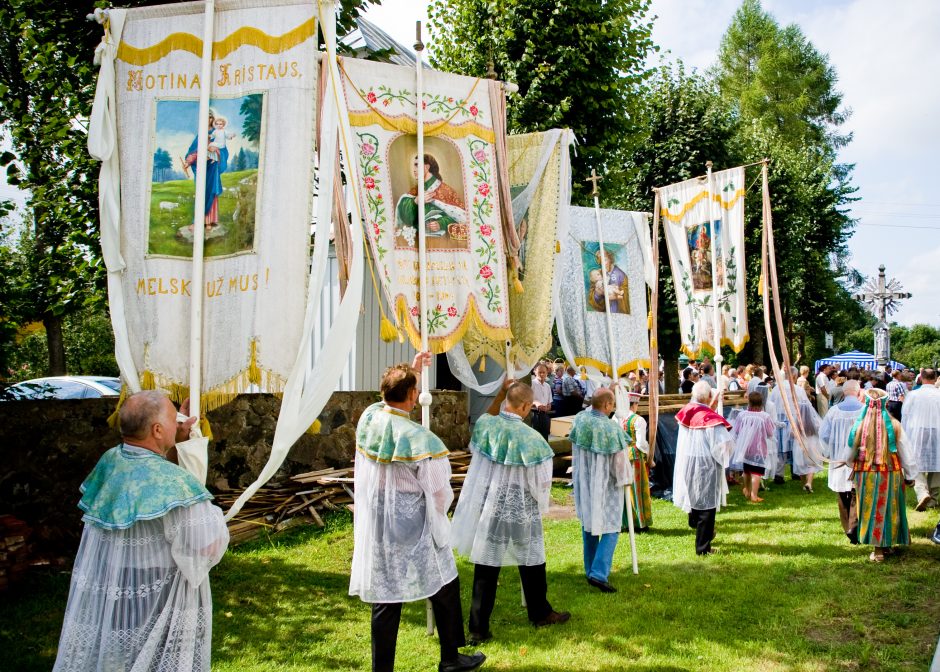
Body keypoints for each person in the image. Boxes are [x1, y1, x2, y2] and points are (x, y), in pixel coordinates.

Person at [53, 391, 229, 672]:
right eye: (174, 420)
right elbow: (208, 546)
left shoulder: (111, 461)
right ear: (157, 430)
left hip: (117, 588)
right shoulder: (176, 483)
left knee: (118, 661)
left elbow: (149, 468)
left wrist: (177, 445)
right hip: (158, 593)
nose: (179, 424)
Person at [349, 352, 484, 672]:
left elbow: (386, 397)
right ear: (413, 396)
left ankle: (384, 668)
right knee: (444, 581)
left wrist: (412, 368)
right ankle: (450, 657)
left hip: (380, 518)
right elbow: (439, 493)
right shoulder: (420, 439)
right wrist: (438, 520)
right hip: (414, 520)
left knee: (388, 594)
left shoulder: (369, 418)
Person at [452, 381, 570, 645]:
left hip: (489, 502)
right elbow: (540, 483)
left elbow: (479, 442)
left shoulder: (485, 426)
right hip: (520, 505)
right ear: (527, 406)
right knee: (532, 561)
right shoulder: (532, 440)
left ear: (507, 400)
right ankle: (540, 612)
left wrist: (501, 392)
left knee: (486, 564)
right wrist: (541, 505)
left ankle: (478, 627)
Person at [568, 388, 631, 592]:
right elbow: (619, 465)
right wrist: (626, 480)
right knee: (611, 527)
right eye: (611, 404)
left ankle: (591, 570)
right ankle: (598, 573)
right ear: (607, 405)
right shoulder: (612, 430)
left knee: (589, 525)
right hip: (605, 486)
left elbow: (589, 409)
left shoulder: (580, 419)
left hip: (585, 482)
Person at [847, 387, 916, 562]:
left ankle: (879, 548)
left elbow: (848, 455)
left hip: (866, 474)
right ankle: (884, 545)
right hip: (890, 474)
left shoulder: (859, 425)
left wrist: (853, 464)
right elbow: (906, 453)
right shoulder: (894, 425)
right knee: (889, 508)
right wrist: (910, 475)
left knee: (871, 510)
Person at [673, 381, 734, 555]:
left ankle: (696, 523)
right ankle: (703, 548)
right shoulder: (710, 418)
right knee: (707, 506)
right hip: (706, 462)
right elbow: (723, 443)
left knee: (694, 497)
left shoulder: (688, 410)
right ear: (708, 397)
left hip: (688, 459)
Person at [819, 379, 863, 544]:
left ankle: (848, 527)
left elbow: (823, 435)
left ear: (844, 392)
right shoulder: (864, 411)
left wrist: (829, 451)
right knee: (855, 493)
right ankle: (854, 526)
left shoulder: (833, 411)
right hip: (858, 458)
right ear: (858, 392)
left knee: (841, 494)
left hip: (838, 456)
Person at [768, 366, 824, 491]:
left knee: (781, 449)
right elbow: (806, 406)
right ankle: (796, 471)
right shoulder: (797, 389)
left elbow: (771, 403)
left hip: (781, 420)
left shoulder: (777, 389)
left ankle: (779, 473)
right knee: (796, 447)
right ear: (793, 376)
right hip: (795, 421)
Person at [396, 153, 466, 242]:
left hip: (442, 241)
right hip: (418, 240)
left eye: (417, 165)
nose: (414, 170)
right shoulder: (414, 191)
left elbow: (461, 217)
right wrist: (416, 201)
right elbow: (405, 218)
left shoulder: (446, 190)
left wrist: (441, 223)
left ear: (427, 167)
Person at [901, 367, 940, 512]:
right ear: (935, 378)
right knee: (937, 463)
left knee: (915, 462)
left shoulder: (913, 395)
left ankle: (922, 492)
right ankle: (933, 497)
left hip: (918, 431)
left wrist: (904, 434)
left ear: (921, 378)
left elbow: (905, 415)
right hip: (937, 431)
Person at [730, 391, 777, 503]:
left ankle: (747, 490)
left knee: (747, 470)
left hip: (745, 448)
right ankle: (754, 495)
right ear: (761, 403)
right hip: (759, 448)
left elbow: (736, 430)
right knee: (757, 472)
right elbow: (770, 433)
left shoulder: (742, 415)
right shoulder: (765, 417)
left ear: (749, 402)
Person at [182, 109, 225, 231]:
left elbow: (221, 149)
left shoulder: (216, 133)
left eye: (210, 118)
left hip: (212, 169)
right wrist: (188, 162)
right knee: (201, 193)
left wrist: (213, 152)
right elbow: (194, 151)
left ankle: (209, 221)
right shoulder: (200, 134)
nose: (208, 120)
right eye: (206, 117)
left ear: (212, 120)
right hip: (201, 169)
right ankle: (198, 221)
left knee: (210, 193)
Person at [618, 391, 652, 531]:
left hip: (620, 456)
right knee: (637, 489)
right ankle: (639, 523)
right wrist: (649, 454)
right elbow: (641, 443)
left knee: (624, 489)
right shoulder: (638, 420)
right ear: (635, 404)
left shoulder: (617, 418)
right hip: (635, 456)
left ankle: (625, 522)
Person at [587, 247, 630, 313]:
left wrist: (617, 294)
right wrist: (597, 294)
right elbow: (592, 297)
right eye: (601, 262)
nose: (603, 264)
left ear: (610, 259)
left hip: (617, 312)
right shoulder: (598, 274)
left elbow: (629, 294)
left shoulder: (621, 275)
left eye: (605, 260)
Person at [530, 363, 553, 440]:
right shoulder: (532, 384)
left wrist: (548, 407)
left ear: (547, 373)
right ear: (535, 371)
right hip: (534, 414)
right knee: (535, 438)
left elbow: (549, 402)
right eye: (540, 372)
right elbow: (528, 400)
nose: (542, 374)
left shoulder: (547, 386)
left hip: (545, 415)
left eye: (544, 372)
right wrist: (536, 403)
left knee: (545, 437)